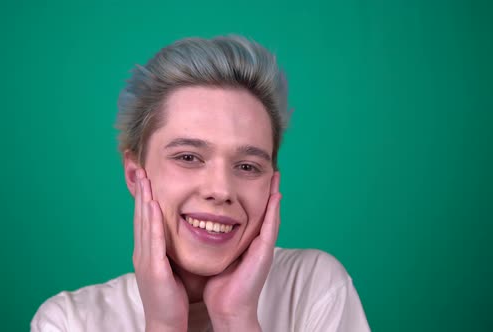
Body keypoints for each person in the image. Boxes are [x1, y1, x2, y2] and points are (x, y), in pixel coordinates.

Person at [31, 35, 370, 332]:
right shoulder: (69, 322)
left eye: (248, 166)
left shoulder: (312, 287)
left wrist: (236, 319)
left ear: (271, 186)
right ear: (136, 175)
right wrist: (164, 326)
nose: (221, 190)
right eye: (188, 157)